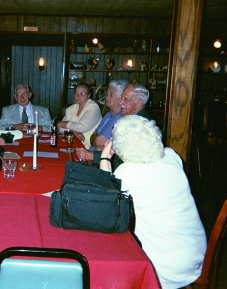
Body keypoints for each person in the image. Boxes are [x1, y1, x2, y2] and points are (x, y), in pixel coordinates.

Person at [99, 115, 206, 289]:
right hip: (197, 254)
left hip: (165, 266)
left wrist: (105, 159)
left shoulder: (127, 173)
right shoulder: (172, 156)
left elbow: (105, 208)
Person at [76, 82, 153, 163]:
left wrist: (93, 155)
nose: (120, 102)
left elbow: (125, 158)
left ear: (139, 103)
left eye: (126, 99)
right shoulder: (130, 118)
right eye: (121, 98)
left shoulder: (142, 123)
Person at [57, 82, 102, 149]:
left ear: (88, 95)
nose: (78, 96)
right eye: (76, 93)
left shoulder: (93, 107)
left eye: (82, 94)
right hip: (70, 144)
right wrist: (74, 131)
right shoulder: (72, 108)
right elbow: (60, 129)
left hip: (86, 147)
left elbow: (82, 127)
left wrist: (61, 123)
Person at [89, 79, 127, 151]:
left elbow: (99, 141)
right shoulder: (108, 114)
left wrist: (95, 139)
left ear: (121, 98)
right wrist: (96, 139)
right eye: (107, 95)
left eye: (111, 95)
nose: (107, 98)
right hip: (92, 153)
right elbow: (93, 137)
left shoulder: (120, 117)